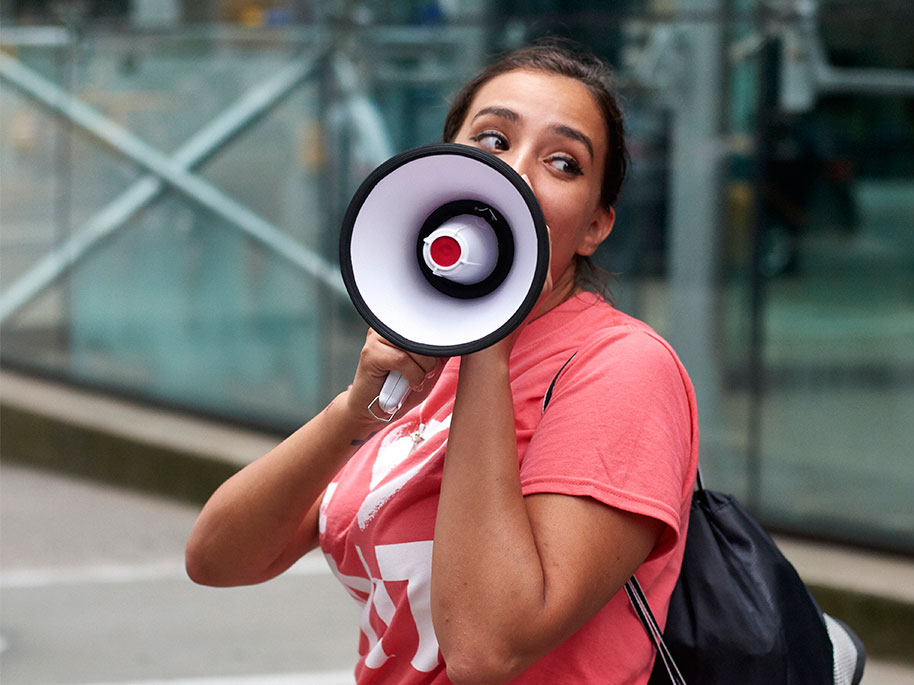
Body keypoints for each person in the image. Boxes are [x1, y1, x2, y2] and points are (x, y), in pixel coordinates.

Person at [186, 41, 700, 685]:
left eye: (563, 162)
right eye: (491, 141)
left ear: (596, 225)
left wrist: (488, 341)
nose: (515, 173)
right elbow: (218, 559)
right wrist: (356, 409)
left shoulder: (621, 370)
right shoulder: (425, 363)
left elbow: (487, 649)